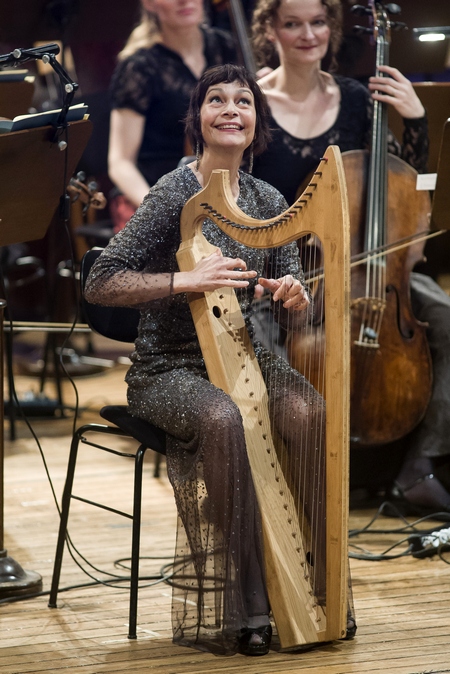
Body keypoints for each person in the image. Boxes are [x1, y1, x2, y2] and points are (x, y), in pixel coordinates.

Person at [85, 63, 344, 656]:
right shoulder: (175, 191)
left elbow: (293, 301)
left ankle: (316, 585)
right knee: (223, 420)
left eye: (243, 101)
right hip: (168, 369)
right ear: (197, 119)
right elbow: (101, 283)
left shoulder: (267, 199)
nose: (231, 108)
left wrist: (295, 297)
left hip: (245, 358)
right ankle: (247, 602)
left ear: (257, 123)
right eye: (216, 100)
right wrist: (184, 279)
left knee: (306, 409)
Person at [251, 0, 450, 516]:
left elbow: (406, 185)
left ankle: (418, 468)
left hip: (371, 263)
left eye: (317, 22)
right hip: (287, 267)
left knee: (445, 319)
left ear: (332, 29)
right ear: (270, 29)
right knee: (267, 341)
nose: (306, 34)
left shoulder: (360, 100)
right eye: (292, 23)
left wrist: (415, 118)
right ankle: (292, 475)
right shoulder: (253, 101)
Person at [107, 0, 237, 231]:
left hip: (215, 193)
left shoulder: (225, 46)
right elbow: (120, 163)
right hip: (152, 194)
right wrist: (163, 210)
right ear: (149, 4)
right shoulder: (139, 67)